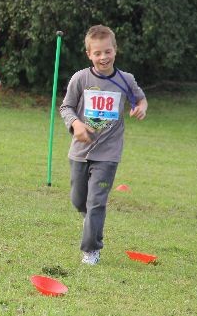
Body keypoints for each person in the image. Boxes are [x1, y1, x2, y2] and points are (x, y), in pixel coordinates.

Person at [59, 25, 148, 265]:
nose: (103, 57)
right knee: (80, 201)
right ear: (89, 54)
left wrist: (141, 107)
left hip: (109, 153)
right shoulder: (81, 78)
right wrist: (76, 125)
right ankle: (91, 221)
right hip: (79, 151)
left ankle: (91, 250)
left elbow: (140, 98)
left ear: (115, 51)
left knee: (96, 201)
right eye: (97, 53)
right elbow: (66, 107)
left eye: (107, 52)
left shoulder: (125, 79)